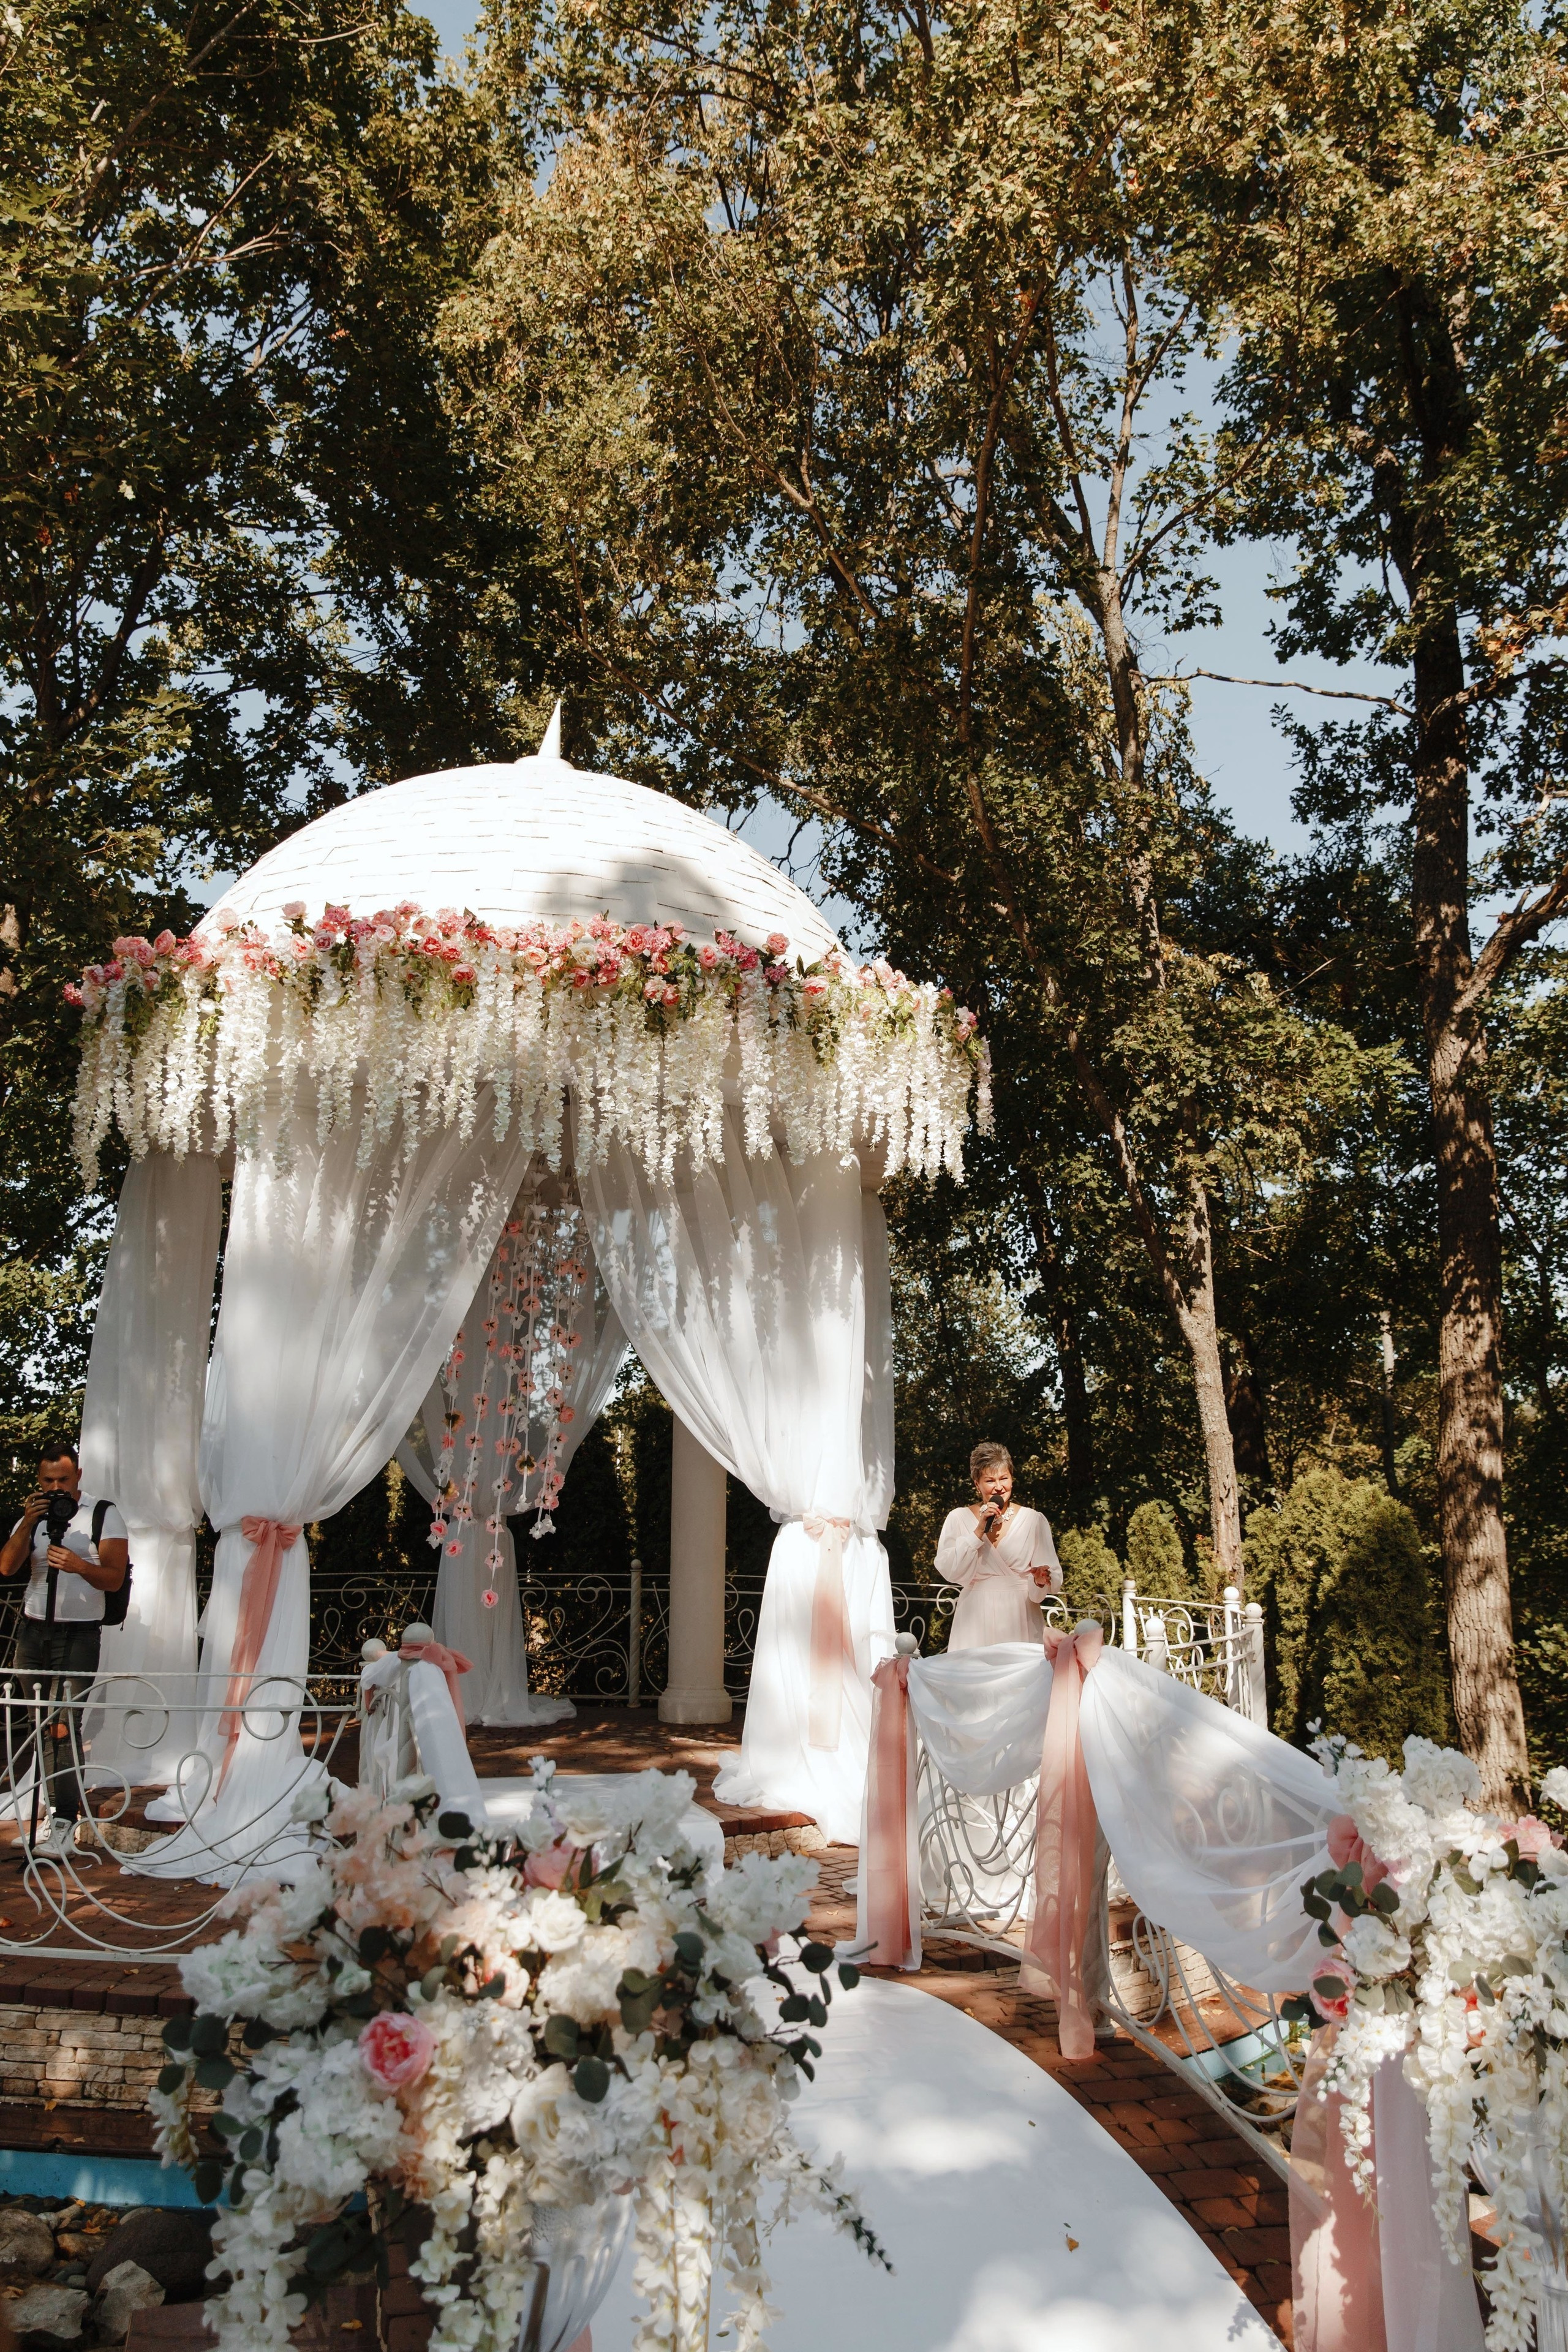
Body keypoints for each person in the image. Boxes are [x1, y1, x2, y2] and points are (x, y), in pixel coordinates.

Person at [0, 1439, 128, 1856]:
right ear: (39, 1480)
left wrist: (78, 1566)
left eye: (63, 1479)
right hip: (33, 1632)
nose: (56, 1488)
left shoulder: (102, 1514)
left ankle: (65, 1821)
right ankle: (52, 1814)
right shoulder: (34, 1516)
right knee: (40, 1725)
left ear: (78, 1476)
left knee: (63, 1727)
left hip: (79, 1635)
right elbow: (6, 1566)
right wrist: (26, 1523)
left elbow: (114, 1579)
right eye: (47, 1481)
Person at [935, 1441, 1061, 1649]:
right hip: (974, 1618)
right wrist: (978, 1531)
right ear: (977, 1484)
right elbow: (949, 1569)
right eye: (990, 1480)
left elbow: (1051, 1577)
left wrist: (1039, 1581)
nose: (999, 1487)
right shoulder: (958, 1518)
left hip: (1020, 1617)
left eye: (1004, 1478)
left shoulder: (1033, 1520)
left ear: (1012, 1479)